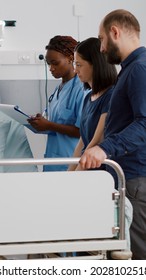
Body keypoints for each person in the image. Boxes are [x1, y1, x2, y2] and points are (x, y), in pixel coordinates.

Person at [79, 9, 146, 260]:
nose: (102, 48)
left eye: (102, 39)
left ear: (115, 32)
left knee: (136, 255)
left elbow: (145, 123)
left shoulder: (139, 69)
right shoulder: (129, 70)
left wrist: (105, 147)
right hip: (124, 176)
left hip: (136, 178)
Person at [28, 35, 87, 171]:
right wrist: (40, 123)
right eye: (49, 64)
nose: (51, 68)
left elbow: (82, 132)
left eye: (55, 63)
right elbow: (53, 122)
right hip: (53, 159)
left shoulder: (81, 89)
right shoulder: (58, 89)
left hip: (70, 160)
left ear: (70, 58)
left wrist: (49, 125)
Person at [68, 37, 117, 171]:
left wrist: (78, 173)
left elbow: (97, 140)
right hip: (85, 168)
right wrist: (68, 173)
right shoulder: (89, 97)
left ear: (95, 64)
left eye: (79, 65)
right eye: (74, 65)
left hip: (98, 170)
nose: (75, 70)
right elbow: (83, 141)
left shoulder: (111, 96)